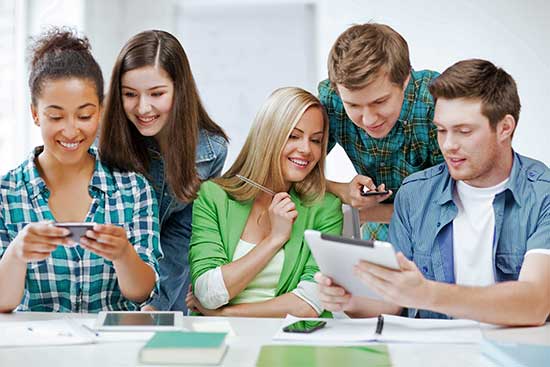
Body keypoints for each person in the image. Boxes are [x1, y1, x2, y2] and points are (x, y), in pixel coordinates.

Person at [316, 59, 550, 326]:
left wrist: (427, 294)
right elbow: (393, 301)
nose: (448, 146)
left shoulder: (542, 195)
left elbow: (535, 303)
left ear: (505, 128)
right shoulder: (414, 194)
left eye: (463, 131)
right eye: (441, 130)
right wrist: (350, 300)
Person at [0, 28, 161, 313]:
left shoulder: (133, 190)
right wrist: (16, 254)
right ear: (35, 114)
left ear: (100, 111)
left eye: (85, 115)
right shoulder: (6, 194)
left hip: (109, 354)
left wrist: (124, 255)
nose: (72, 130)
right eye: (56, 116)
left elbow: (142, 293)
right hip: (36, 353)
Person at [100, 30, 228, 312]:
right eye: (130, 95)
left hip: (166, 289)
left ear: (179, 89)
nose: (143, 108)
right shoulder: (100, 139)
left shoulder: (209, 151)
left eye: (156, 94)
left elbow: (182, 235)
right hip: (103, 285)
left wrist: (155, 303)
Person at [186, 87, 343, 317]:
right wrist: (274, 239)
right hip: (221, 343)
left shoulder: (325, 208)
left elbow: (309, 304)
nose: (306, 149)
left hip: (291, 343)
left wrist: (227, 314)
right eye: (293, 136)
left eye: (316, 140)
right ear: (269, 135)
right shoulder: (214, 197)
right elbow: (208, 293)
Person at [319, 23, 443, 240]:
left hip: (440, 239)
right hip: (379, 238)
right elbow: (292, 171)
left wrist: (369, 212)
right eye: (354, 106)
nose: (368, 120)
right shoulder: (332, 101)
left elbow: (462, 198)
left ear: (405, 80)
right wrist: (342, 191)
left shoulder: (437, 102)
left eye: (380, 101)